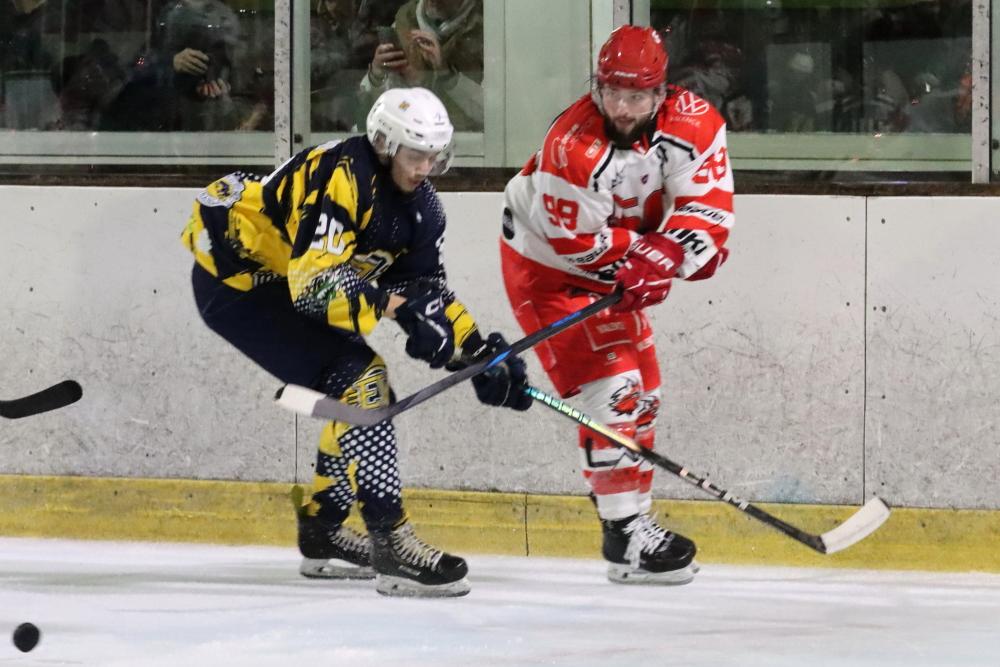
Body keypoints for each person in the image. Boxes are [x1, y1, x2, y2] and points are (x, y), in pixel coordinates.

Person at [181, 86, 531, 598]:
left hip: (287, 280)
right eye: (415, 154)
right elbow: (313, 286)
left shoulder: (423, 208)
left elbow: (426, 291)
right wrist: (395, 308)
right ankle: (390, 541)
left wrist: (475, 352)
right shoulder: (342, 177)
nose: (425, 168)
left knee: (363, 387)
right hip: (238, 284)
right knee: (362, 381)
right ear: (385, 144)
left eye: (434, 156)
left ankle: (324, 528)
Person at [499, 26, 734, 585]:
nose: (622, 109)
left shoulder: (696, 124)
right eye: (612, 93)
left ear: (661, 93)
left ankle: (635, 521)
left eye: (636, 96)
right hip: (546, 269)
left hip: (615, 267)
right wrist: (648, 257)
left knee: (645, 395)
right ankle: (623, 534)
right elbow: (575, 244)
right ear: (598, 87)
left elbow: (709, 210)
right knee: (615, 388)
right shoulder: (570, 146)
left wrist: (668, 252)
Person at [361, 0, 483, 131]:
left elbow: (492, 113)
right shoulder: (405, 21)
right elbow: (368, 110)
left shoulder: (488, 25)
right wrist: (377, 74)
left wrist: (447, 75)